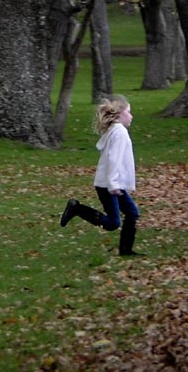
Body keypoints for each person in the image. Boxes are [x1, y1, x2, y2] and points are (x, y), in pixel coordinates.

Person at [59, 94, 141, 256]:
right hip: (109, 185)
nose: (131, 116)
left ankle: (126, 250)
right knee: (113, 223)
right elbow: (113, 159)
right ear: (119, 115)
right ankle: (77, 208)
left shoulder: (114, 131)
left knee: (132, 213)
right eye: (128, 112)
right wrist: (113, 184)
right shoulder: (120, 133)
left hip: (111, 183)